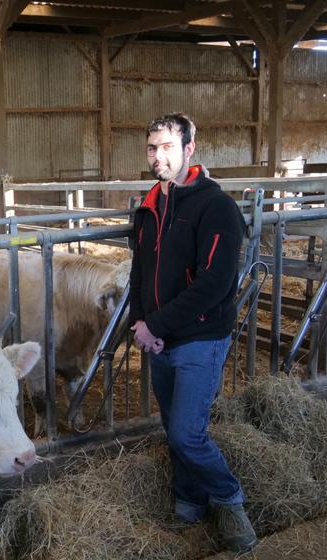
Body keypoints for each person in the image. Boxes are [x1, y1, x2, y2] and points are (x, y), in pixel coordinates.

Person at [128, 113, 257, 553]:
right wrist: (140, 324)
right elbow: (139, 273)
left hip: (200, 338)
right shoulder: (148, 206)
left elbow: (215, 283)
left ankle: (228, 498)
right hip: (159, 339)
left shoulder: (215, 206)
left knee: (187, 433)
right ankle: (189, 501)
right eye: (152, 148)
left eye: (166, 147)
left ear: (189, 149)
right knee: (172, 426)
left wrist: (158, 325)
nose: (158, 156)